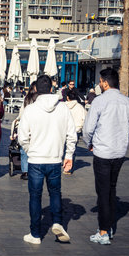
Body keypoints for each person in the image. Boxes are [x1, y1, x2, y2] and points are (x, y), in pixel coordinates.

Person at [18, 75, 76, 245]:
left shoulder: (30, 109)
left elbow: (22, 138)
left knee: (35, 197)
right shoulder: (63, 108)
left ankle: (35, 234)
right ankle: (57, 222)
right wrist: (68, 155)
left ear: (35, 89)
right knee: (55, 193)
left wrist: (31, 151)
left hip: (35, 160)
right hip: (55, 159)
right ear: (51, 88)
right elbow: (72, 135)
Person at [83, 68, 129, 245]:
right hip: (119, 152)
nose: (99, 84)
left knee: (103, 191)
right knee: (111, 189)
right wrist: (122, 140)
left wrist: (89, 143)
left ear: (106, 82)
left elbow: (88, 128)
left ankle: (104, 231)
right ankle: (109, 226)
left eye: (100, 81)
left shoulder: (100, 101)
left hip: (103, 152)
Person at [10, 81, 38, 180]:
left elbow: (21, 114)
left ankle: (25, 171)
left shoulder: (27, 99)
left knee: (24, 149)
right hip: (35, 128)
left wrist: (18, 119)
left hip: (26, 127)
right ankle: (31, 171)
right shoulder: (37, 99)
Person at [64, 89, 87, 175]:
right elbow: (85, 118)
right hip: (76, 130)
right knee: (72, 149)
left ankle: (62, 163)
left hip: (64, 131)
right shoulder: (80, 107)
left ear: (67, 97)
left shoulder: (63, 106)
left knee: (63, 149)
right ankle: (68, 168)